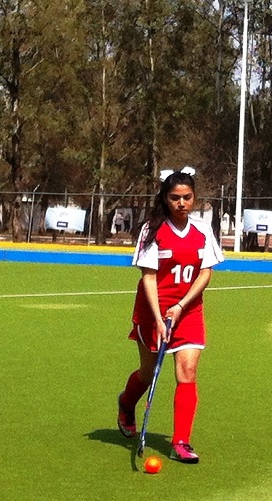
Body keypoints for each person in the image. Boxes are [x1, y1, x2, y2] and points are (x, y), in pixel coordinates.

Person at [117, 167, 224, 464]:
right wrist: (160, 316)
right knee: (148, 372)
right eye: (175, 197)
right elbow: (148, 278)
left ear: (194, 198)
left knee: (187, 371)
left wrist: (181, 306)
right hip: (153, 311)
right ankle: (126, 404)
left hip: (188, 311)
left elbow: (205, 273)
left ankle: (181, 442)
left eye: (187, 197)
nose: (181, 203)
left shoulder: (202, 229)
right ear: (165, 198)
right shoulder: (152, 230)